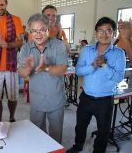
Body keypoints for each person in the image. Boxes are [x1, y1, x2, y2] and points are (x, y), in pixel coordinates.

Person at [66, 17, 126, 153]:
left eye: (108, 31)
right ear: (95, 33)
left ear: (113, 33)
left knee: (103, 131)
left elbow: (118, 78)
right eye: (101, 30)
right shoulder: (87, 50)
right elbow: (78, 70)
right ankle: (78, 146)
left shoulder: (119, 54)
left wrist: (104, 65)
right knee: (80, 126)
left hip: (105, 100)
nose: (104, 34)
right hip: (86, 97)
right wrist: (93, 65)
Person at [18, 13, 67, 143]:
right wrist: (28, 69)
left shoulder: (58, 45)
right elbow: (21, 72)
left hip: (55, 98)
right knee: (37, 132)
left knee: (56, 134)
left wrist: (45, 67)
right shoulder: (25, 49)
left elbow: (62, 69)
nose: (38, 34)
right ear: (30, 32)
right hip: (36, 99)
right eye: (34, 31)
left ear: (48, 29)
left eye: (41, 30)